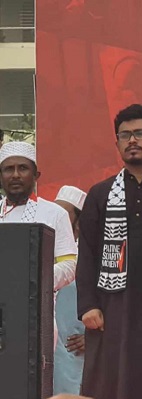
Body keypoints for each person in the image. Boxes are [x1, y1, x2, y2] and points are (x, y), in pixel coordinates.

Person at [76, 104, 142, 399]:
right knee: (111, 381)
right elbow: (87, 252)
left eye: (140, 133)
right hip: (113, 306)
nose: (132, 140)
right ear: (117, 144)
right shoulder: (100, 193)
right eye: (125, 135)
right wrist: (88, 305)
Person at [0, 142, 78, 348]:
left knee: (30, 367)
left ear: (36, 175)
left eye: (23, 168)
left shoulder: (55, 214)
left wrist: (31, 278)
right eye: (8, 169)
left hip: (36, 314)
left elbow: (70, 265)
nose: (15, 175)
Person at [54, 185, 87, 395]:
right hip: (45, 352)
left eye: (64, 214)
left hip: (74, 356)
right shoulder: (43, 249)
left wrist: (96, 339)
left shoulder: (91, 258)